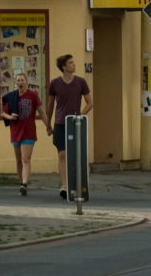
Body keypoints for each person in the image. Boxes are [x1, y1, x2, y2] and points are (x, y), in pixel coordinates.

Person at [44, 54, 94, 200]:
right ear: (64, 67)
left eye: (73, 62)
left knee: (76, 155)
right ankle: (64, 186)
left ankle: (76, 183)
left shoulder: (81, 82)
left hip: (74, 122)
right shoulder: (55, 83)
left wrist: (79, 115)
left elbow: (90, 102)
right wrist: (48, 124)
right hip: (60, 123)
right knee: (62, 154)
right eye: (71, 63)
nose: (74, 65)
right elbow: (50, 105)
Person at [0, 73, 45, 194]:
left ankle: (24, 183)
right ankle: (21, 183)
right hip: (15, 131)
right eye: (18, 80)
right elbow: (3, 113)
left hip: (29, 132)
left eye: (22, 80)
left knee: (26, 159)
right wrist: (11, 116)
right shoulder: (11, 97)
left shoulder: (33, 95)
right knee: (19, 160)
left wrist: (48, 126)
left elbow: (41, 112)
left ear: (27, 82)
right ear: (16, 83)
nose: (20, 82)